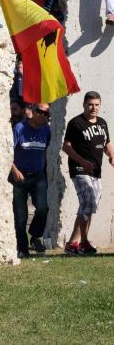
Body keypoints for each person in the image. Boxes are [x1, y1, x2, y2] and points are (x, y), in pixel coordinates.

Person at [62, 91, 114, 255]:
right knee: (88, 201)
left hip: (96, 171)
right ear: (84, 104)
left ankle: (73, 243)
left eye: (97, 105)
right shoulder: (76, 123)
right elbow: (66, 146)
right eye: (90, 104)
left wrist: (112, 155)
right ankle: (83, 242)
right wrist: (81, 161)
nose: (94, 108)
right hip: (79, 170)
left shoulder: (103, 123)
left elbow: (107, 144)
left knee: (90, 205)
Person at [10, 103, 51, 258]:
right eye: (40, 111)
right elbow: (7, 152)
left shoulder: (46, 130)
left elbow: (45, 149)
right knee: (20, 216)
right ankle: (22, 249)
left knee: (43, 209)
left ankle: (35, 235)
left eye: (47, 113)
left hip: (38, 176)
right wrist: (14, 171)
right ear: (32, 112)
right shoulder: (20, 128)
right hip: (19, 177)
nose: (43, 115)